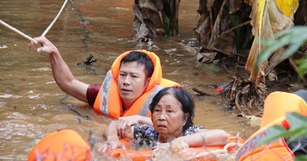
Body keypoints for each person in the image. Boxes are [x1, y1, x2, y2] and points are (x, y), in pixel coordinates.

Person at [29, 36, 179, 123]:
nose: (126, 81)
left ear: (147, 82)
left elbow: (183, 130)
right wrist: (54, 53)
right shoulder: (103, 95)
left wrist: (140, 120)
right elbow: (68, 83)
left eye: (134, 76)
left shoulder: (166, 103)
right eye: (122, 75)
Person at [101, 87, 230, 150]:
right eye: (157, 111)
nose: (162, 117)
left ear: (185, 118)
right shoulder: (148, 134)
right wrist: (112, 139)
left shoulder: (191, 133)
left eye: (169, 111)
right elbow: (115, 124)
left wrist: (173, 145)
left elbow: (223, 136)